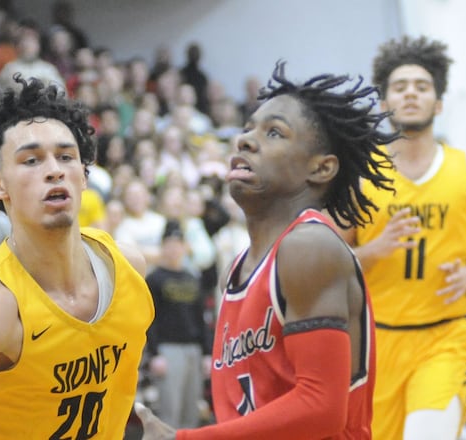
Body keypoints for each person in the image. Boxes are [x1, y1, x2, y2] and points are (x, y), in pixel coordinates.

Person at [136, 60, 395, 438]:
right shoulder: (238, 268)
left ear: (321, 168)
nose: (245, 140)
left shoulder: (310, 246)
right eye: (246, 129)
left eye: (274, 133)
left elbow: (322, 407)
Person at [0, 75, 154, 439]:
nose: (54, 169)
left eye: (66, 156)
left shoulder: (128, 267)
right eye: (31, 160)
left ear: (84, 175)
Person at [336, 36, 466, 440]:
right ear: (382, 102)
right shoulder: (359, 173)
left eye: (421, 86)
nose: (411, 93)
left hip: (443, 336)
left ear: (439, 103)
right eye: (400, 86)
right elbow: (330, 262)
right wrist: (374, 250)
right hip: (374, 342)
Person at [145, 220, 211, 429]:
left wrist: (207, 353)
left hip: (193, 349)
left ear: (184, 247)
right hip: (168, 349)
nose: (173, 248)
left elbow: (202, 318)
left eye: (178, 243)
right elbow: (149, 319)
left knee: (191, 411)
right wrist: (155, 354)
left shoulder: (192, 277)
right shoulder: (154, 278)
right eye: (169, 244)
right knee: (169, 413)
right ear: (162, 246)